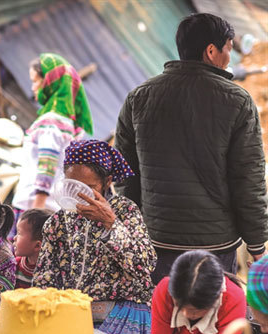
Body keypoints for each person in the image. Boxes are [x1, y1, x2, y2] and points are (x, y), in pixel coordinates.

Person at [114, 13, 268, 284]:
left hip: (156, 242)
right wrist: (257, 245)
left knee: (161, 317)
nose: (229, 58)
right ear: (211, 51)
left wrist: (137, 226)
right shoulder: (237, 101)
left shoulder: (139, 96)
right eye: (229, 49)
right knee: (210, 322)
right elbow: (248, 180)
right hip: (214, 247)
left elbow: (124, 174)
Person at [33, 139, 156, 334]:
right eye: (72, 186)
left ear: (107, 181)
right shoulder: (58, 222)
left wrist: (111, 225)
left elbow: (145, 267)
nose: (79, 196)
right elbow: (43, 280)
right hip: (71, 315)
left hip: (126, 311)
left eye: (88, 188)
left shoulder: (125, 212)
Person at [12, 53, 93, 215]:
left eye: (35, 81)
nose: (33, 87)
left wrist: (36, 211)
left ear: (50, 82)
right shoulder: (69, 124)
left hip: (34, 207)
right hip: (52, 208)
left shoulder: (51, 122)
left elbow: (47, 165)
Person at [13, 208, 53, 289]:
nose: (14, 238)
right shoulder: (15, 265)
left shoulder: (50, 272)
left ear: (37, 246)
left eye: (19, 233)